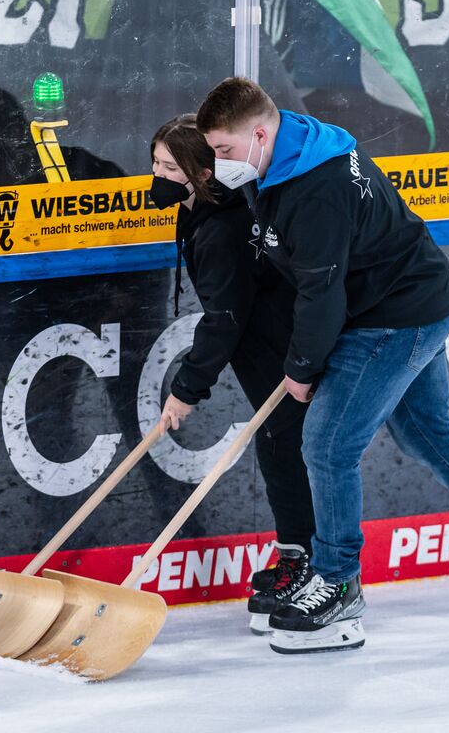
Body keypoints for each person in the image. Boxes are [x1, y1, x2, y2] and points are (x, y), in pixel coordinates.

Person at [195, 77, 449, 654]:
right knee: (426, 433)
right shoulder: (287, 150)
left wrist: (301, 368)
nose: (219, 162)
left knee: (327, 445)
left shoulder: (316, 186)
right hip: (410, 300)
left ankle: (338, 586)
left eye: (224, 149)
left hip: (393, 318)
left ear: (259, 134)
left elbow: (322, 293)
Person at [150, 115, 317, 634]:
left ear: (202, 173)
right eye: (155, 162)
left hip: (282, 350)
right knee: (279, 447)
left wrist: (186, 390)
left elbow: (224, 319)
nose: (157, 175)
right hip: (265, 347)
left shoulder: (222, 227)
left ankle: (310, 566)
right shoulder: (204, 208)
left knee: (288, 451)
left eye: (170, 167)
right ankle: (298, 555)